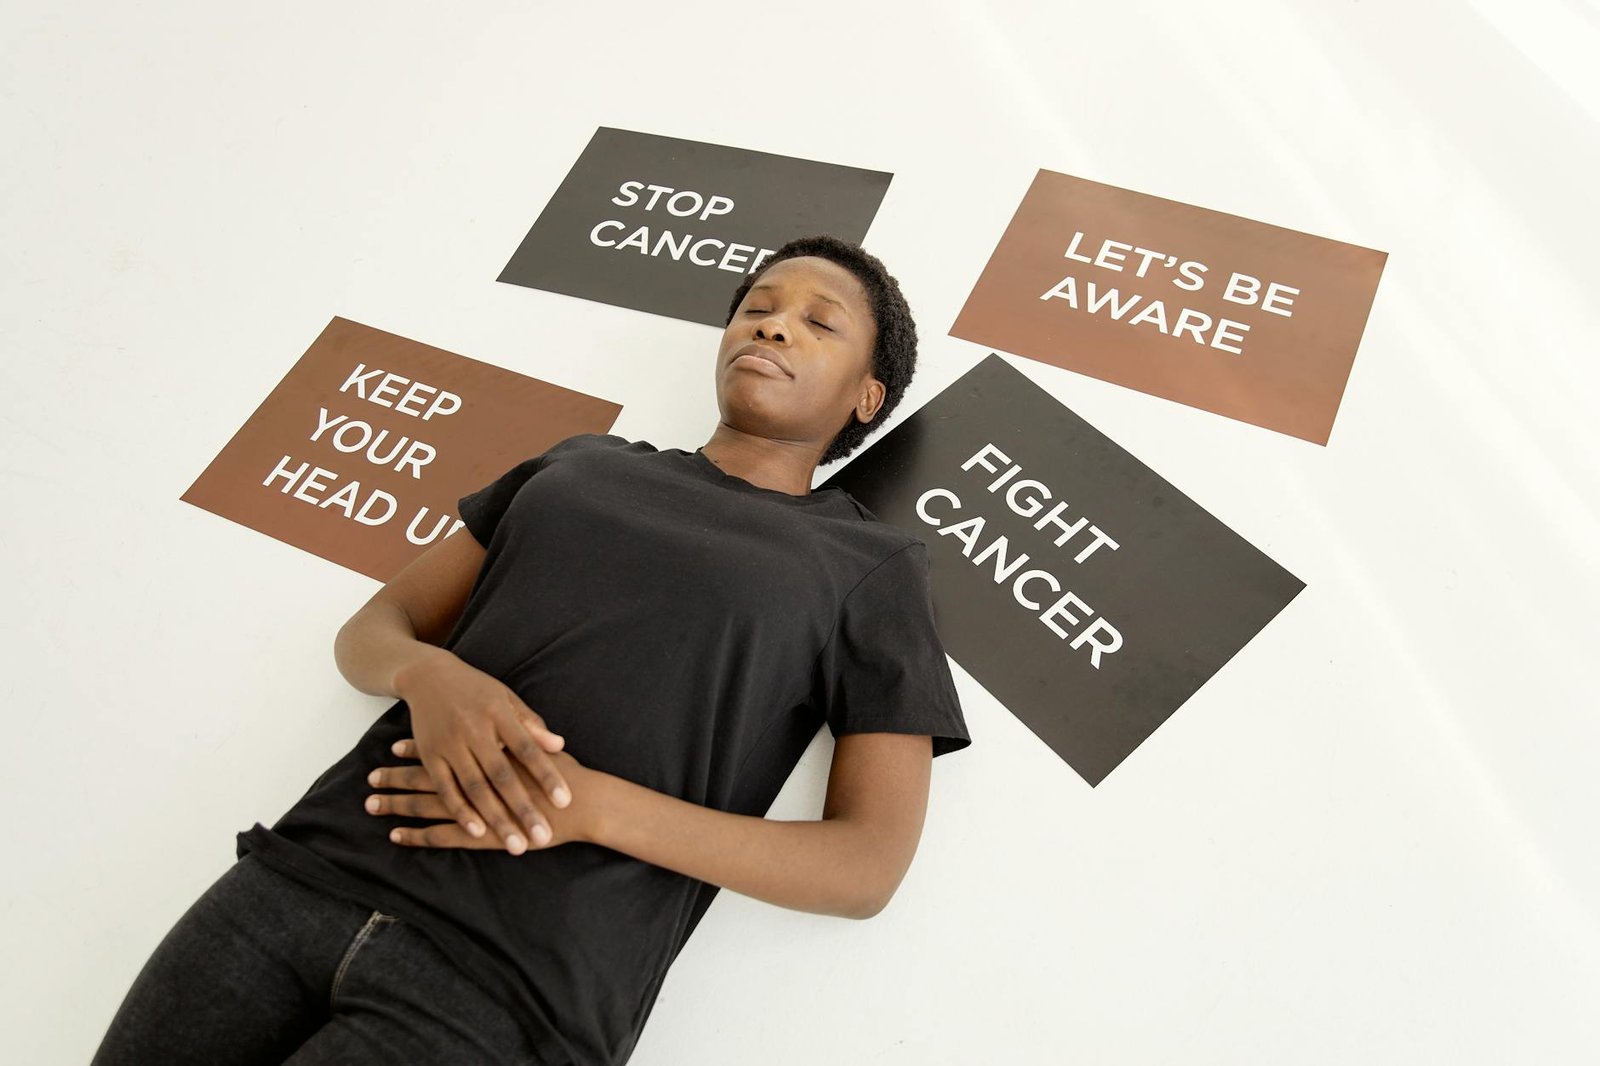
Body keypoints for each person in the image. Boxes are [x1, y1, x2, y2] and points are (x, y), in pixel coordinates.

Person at [90, 234, 973, 1065]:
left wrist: (591, 807)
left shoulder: (868, 565)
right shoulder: (582, 463)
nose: (773, 326)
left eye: (819, 322)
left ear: (867, 396)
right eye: (757, 308)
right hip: (302, 882)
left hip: (514, 990)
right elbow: (374, 628)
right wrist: (430, 673)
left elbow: (865, 867)